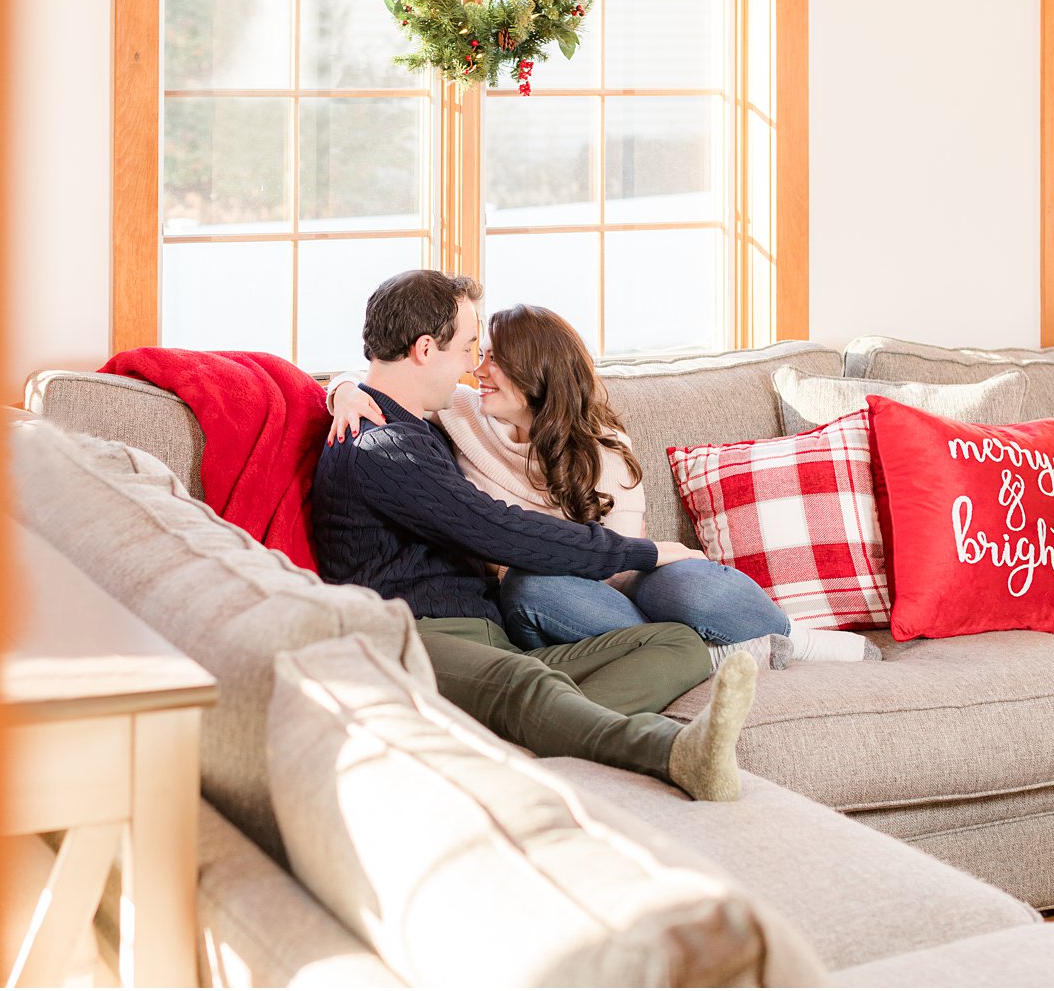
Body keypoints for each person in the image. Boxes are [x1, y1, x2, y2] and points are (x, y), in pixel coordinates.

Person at [312, 269, 758, 802]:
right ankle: (673, 750)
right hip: (416, 639)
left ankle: (531, 740)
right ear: (426, 349)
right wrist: (644, 551)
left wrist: (339, 388)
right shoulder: (382, 448)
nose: (473, 368)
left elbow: (365, 384)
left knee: (677, 643)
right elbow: (499, 528)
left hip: (491, 642)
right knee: (528, 687)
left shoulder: (421, 427)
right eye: (468, 348)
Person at [327, 302, 880, 667]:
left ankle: (791, 638)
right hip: (558, 601)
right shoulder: (461, 414)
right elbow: (391, 379)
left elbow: (622, 566)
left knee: (687, 581)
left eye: (496, 360)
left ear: (538, 373)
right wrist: (345, 391)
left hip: (618, 583)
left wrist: (652, 557)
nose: (478, 370)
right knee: (532, 584)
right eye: (477, 355)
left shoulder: (602, 449)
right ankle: (703, 655)